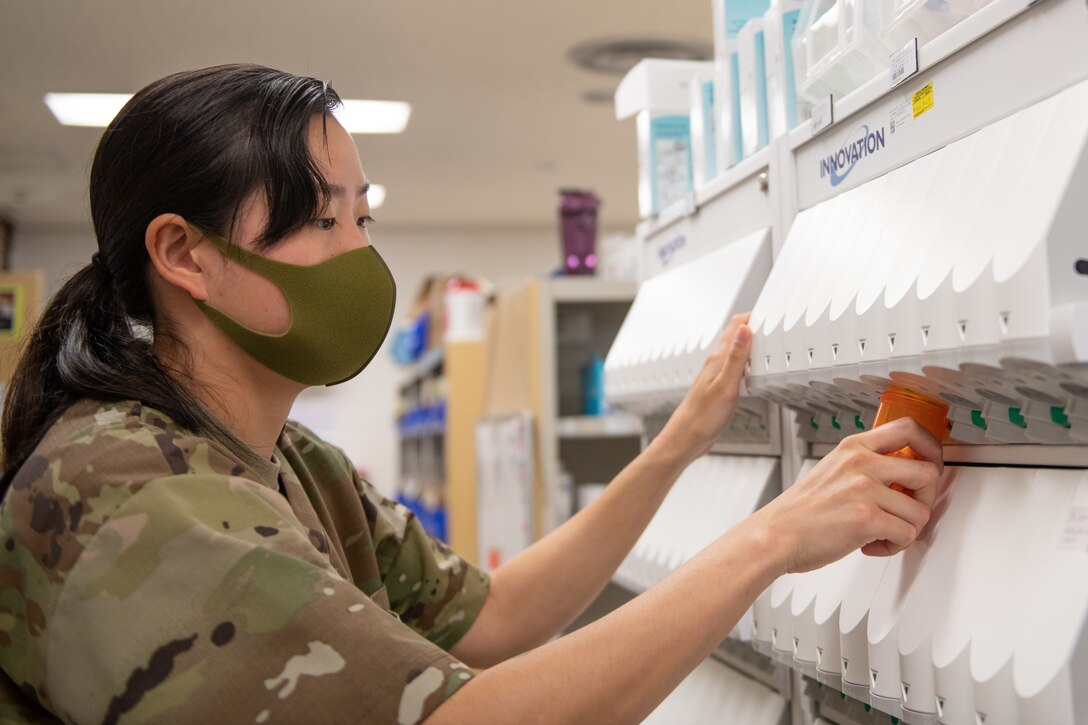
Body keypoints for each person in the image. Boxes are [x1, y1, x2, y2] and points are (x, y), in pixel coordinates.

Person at [0, 64, 942, 724]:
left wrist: (677, 446)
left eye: (363, 217)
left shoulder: (290, 457)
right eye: (321, 220)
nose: (360, 256)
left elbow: (496, 615)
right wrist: (771, 539)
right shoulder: (129, 489)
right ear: (184, 254)